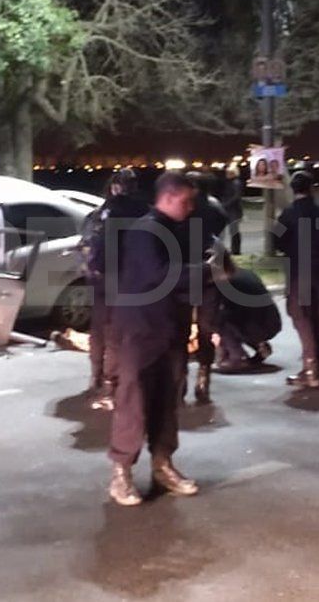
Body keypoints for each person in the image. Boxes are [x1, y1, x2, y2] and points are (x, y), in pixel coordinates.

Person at [106, 171, 199, 506]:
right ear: (169, 197)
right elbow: (159, 277)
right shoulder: (145, 232)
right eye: (187, 201)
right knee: (134, 401)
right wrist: (207, 271)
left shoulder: (176, 230)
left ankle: (162, 464)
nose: (191, 208)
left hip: (169, 331)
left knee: (167, 402)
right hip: (138, 331)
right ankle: (121, 474)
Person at [80, 168, 147, 411]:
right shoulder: (144, 212)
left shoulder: (103, 213)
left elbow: (92, 243)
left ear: (114, 186)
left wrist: (91, 264)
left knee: (101, 331)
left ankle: (101, 377)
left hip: (106, 279)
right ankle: (115, 379)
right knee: (123, 333)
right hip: (133, 281)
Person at [272, 171, 319, 389]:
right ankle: (318, 369)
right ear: (310, 188)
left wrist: (290, 248)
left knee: (302, 321)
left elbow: (276, 240)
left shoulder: (287, 214)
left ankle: (311, 371)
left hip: (299, 274)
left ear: (293, 189)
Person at [184, 171, 229, 404]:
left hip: (186, 275)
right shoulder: (215, 207)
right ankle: (203, 379)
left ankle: (179, 381)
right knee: (205, 330)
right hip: (210, 275)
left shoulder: (185, 207)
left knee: (180, 328)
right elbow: (221, 227)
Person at [213, 255, 280, 372]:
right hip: (271, 324)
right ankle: (260, 347)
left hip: (256, 326)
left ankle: (238, 358)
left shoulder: (225, 282)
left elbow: (223, 313)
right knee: (231, 317)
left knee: (217, 320)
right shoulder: (243, 273)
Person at [219, 166, 244, 255]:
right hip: (232, 209)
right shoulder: (231, 182)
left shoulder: (235, 183)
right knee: (233, 230)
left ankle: (236, 250)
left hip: (234, 210)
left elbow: (236, 197)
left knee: (234, 230)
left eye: (229, 172)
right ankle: (235, 249)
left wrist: (225, 204)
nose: (227, 174)